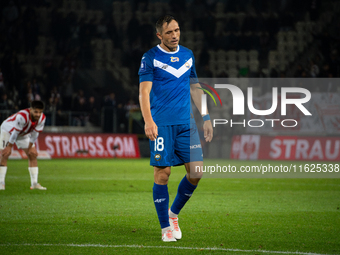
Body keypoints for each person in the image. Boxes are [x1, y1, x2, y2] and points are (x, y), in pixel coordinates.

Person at [138, 15, 213, 242]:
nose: (175, 35)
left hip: (186, 123)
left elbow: (195, 88)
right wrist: (149, 121)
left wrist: (206, 117)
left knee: (197, 172)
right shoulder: (150, 57)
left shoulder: (188, 55)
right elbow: (144, 92)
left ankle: (173, 214)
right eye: (169, 32)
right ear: (159, 35)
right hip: (162, 125)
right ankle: (165, 228)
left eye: (177, 30)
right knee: (163, 174)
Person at [0, 100, 47, 190]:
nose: (38, 114)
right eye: (36, 112)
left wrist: (30, 148)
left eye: (40, 112)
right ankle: (1, 183)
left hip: (23, 134)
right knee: (5, 154)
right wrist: (9, 147)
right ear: (30, 110)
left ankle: (34, 183)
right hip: (8, 131)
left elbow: (35, 134)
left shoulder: (42, 118)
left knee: (32, 154)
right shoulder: (22, 116)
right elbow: (15, 132)